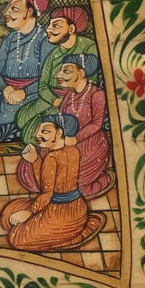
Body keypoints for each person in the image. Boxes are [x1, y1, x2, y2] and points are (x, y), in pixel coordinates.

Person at [0, 113, 105, 251]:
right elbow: (50, 184)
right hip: (78, 209)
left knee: (16, 237)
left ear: (59, 133)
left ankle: (72, 238)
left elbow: (47, 193)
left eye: (45, 131)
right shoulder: (73, 150)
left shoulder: (52, 157)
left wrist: (28, 212)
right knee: (9, 214)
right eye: (38, 130)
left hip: (60, 212)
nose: (37, 135)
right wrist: (36, 160)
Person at [12, 6, 99, 138]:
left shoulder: (89, 47)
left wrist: (66, 100)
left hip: (76, 101)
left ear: (71, 29)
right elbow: (42, 85)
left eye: (56, 25)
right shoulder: (53, 54)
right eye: (49, 25)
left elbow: (91, 82)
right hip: (52, 98)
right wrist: (54, 100)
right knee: (22, 118)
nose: (48, 29)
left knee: (32, 134)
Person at [0, 0, 52, 127]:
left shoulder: (44, 39)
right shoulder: (10, 38)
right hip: (6, 88)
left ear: (29, 12)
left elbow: (46, 78)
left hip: (32, 91)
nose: (6, 12)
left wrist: (24, 92)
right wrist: (6, 88)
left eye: (14, 9)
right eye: (8, 8)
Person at [49, 51, 113, 198]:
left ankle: (105, 179)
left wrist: (76, 138)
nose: (58, 75)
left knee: (77, 189)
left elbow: (97, 124)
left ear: (81, 73)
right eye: (60, 70)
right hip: (70, 145)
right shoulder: (68, 96)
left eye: (66, 71)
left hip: (92, 144)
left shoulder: (96, 94)